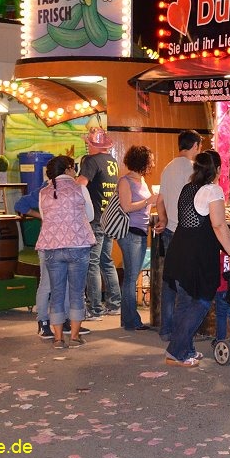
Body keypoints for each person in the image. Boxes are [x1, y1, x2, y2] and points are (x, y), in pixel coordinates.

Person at [164, 150, 230, 367]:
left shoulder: (188, 188)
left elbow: (199, 217)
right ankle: (176, 352)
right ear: (217, 169)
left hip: (179, 250)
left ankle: (185, 349)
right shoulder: (213, 190)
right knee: (202, 301)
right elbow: (218, 225)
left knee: (184, 303)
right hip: (198, 255)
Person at [15, 180, 90, 340]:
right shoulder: (46, 188)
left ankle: (66, 322)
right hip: (50, 243)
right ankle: (43, 321)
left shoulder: (68, 187)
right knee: (47, 285)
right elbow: (20, 205)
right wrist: (41, 216)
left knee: (66, 285)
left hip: (62, 243)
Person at [36, 155, 95, 349]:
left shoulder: (43, 192)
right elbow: (90, 215)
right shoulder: (80, 189)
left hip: (52, 247)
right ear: (69, 169)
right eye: (74, 167)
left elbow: (45, 217)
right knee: (77, 293)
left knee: (57, 293)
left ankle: (58, 339)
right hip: (78, 245)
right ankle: (75, 337)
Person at [154, 130, 202, 341]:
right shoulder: (194, 169)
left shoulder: (168, 167)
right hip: (187, 232)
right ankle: (182, 332)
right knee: (186, 284)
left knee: (169, 281)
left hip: (170, 231)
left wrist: (163, 220)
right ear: (196, 146)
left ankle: (166, 329)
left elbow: (160, 200)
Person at [76, 127, 121, 320]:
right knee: (106, 261)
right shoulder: (112, 162)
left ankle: (95, 308)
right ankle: (114, 303)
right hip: (109, 218)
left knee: (92, 263)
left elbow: (81, 184)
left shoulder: (91, 161)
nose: (87, 146)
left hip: (94, 219)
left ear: (95, 145)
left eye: (89, 143)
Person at [115, 145, 159, 331]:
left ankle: (128, 319)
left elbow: (142, 207)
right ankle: (132, 320)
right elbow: (126, 207)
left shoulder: (141, 180)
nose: (153, 164)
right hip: (130, 232)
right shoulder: (125, 181)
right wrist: (149, 201)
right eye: (150, 160)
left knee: (131, 276)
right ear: (142, 161)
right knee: (131, 277)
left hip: (140, 231)